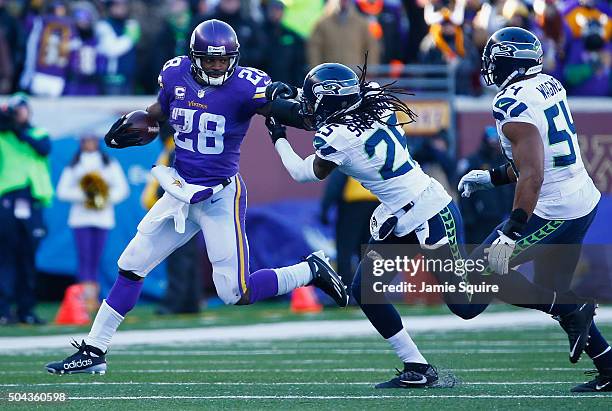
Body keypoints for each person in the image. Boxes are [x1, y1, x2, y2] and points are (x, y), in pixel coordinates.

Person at [264, 61, 596, 389]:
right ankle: (417, 366)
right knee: (365, 288)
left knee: (466, 303)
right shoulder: (375, 100)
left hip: (432, 213)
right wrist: (293, 95)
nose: (306, 104)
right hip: (403, 216)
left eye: (311, 97)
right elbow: (326, 108)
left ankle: (567, 307)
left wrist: (278, 136)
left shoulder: (336, 137)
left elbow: (303, 171)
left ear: (327, 101)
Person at [45, 19, 348, 375]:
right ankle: (95, 350)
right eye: (210, 60)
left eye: (223, 60)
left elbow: (281, 110)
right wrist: (139, 121)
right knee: (131, 264)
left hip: (220, 196)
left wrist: (292, 104)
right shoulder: (174, 74)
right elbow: (160, 111)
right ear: (194, 57)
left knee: (235, 292)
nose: (218, 66)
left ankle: (309, 270)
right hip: (180, 190)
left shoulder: (247, 85)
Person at [457, 26, 612, 392]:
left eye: (495, 61)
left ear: (510, 62)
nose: (490, 68)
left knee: (481, 274)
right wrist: (491, 177)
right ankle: (608, 366)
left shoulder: (511, 104)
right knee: (549, 289)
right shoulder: (548, 84)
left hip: (554, 208)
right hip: (582, 200)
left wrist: (513, 228)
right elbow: (542, 157)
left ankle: (572, 309)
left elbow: (533, 173)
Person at [56, 134, 129, 312]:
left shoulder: (109, 163)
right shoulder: (74, 165)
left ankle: (93, 298)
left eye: (92, 140)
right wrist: (86, 197)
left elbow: (122, 189)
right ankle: (85, 299)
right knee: (84, 258)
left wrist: (103, 197)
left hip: (103, 218)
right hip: (81, 218)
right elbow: (62, 191)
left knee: (97, 258)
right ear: (81, 142)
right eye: (86, 140)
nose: (89, 143)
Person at [0, 94, 53, 325]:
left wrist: (17, 127)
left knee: (28, 257)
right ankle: (3, 310)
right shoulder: (3, 135)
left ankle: (26, 309)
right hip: (9, 199)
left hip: (33, 200)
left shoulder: (37, 133)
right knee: (6, 257)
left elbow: (43, 148)